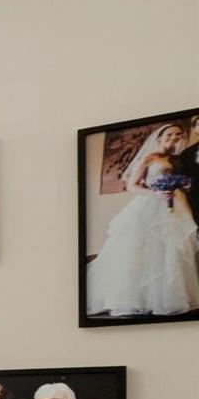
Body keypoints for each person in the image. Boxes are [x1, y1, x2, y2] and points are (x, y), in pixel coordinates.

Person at [84, 123, 199, 318]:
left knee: (172, 250)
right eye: (169, 135)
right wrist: (156, 192)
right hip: (152, 205)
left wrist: (182, 186)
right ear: (160, 138)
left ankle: (168, 296)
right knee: (145, 250)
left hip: (176, 206)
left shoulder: (179, 160)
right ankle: (136, 298)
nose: (174, 138)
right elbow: (132, 186)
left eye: (177, 135)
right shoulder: (149, 158)